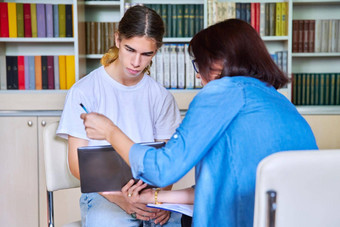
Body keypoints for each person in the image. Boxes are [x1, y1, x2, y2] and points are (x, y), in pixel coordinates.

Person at [80, 19, 318, 226]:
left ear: (220, 61)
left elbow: (162, 170)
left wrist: (110, 131)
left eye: (199, 63)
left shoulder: (220, 93)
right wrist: (152, 198)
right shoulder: (279, 100)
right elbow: (226, 186)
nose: (197, 74)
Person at [57, 5, 182, 227]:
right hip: (103, 193)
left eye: (147, 54)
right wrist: (119, 197)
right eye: (130, 50)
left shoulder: (161, 97)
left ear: (157, 51)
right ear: (117, 39)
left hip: (150, 192)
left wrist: (160, 198)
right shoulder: (85, 91)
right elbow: (77, 165)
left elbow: (168, 161)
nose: (136, 63)